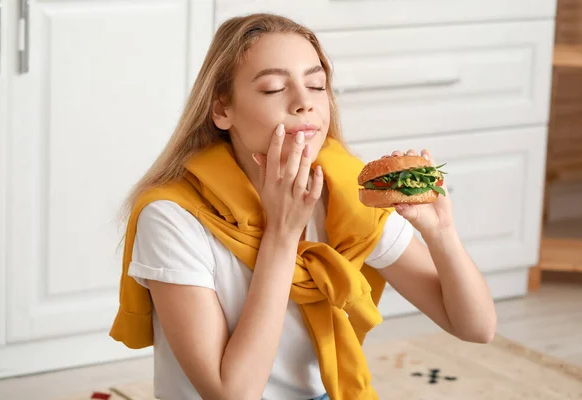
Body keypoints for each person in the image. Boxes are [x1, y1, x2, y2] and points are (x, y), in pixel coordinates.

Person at [109, 13, 497, 400]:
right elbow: (232, 394)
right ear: (222, 110)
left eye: (316, 85)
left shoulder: (347, 191)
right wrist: (282, 231)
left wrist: (441, 234)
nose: (303, 103)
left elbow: (476, 328)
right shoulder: (171, 216)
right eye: (275, 88)